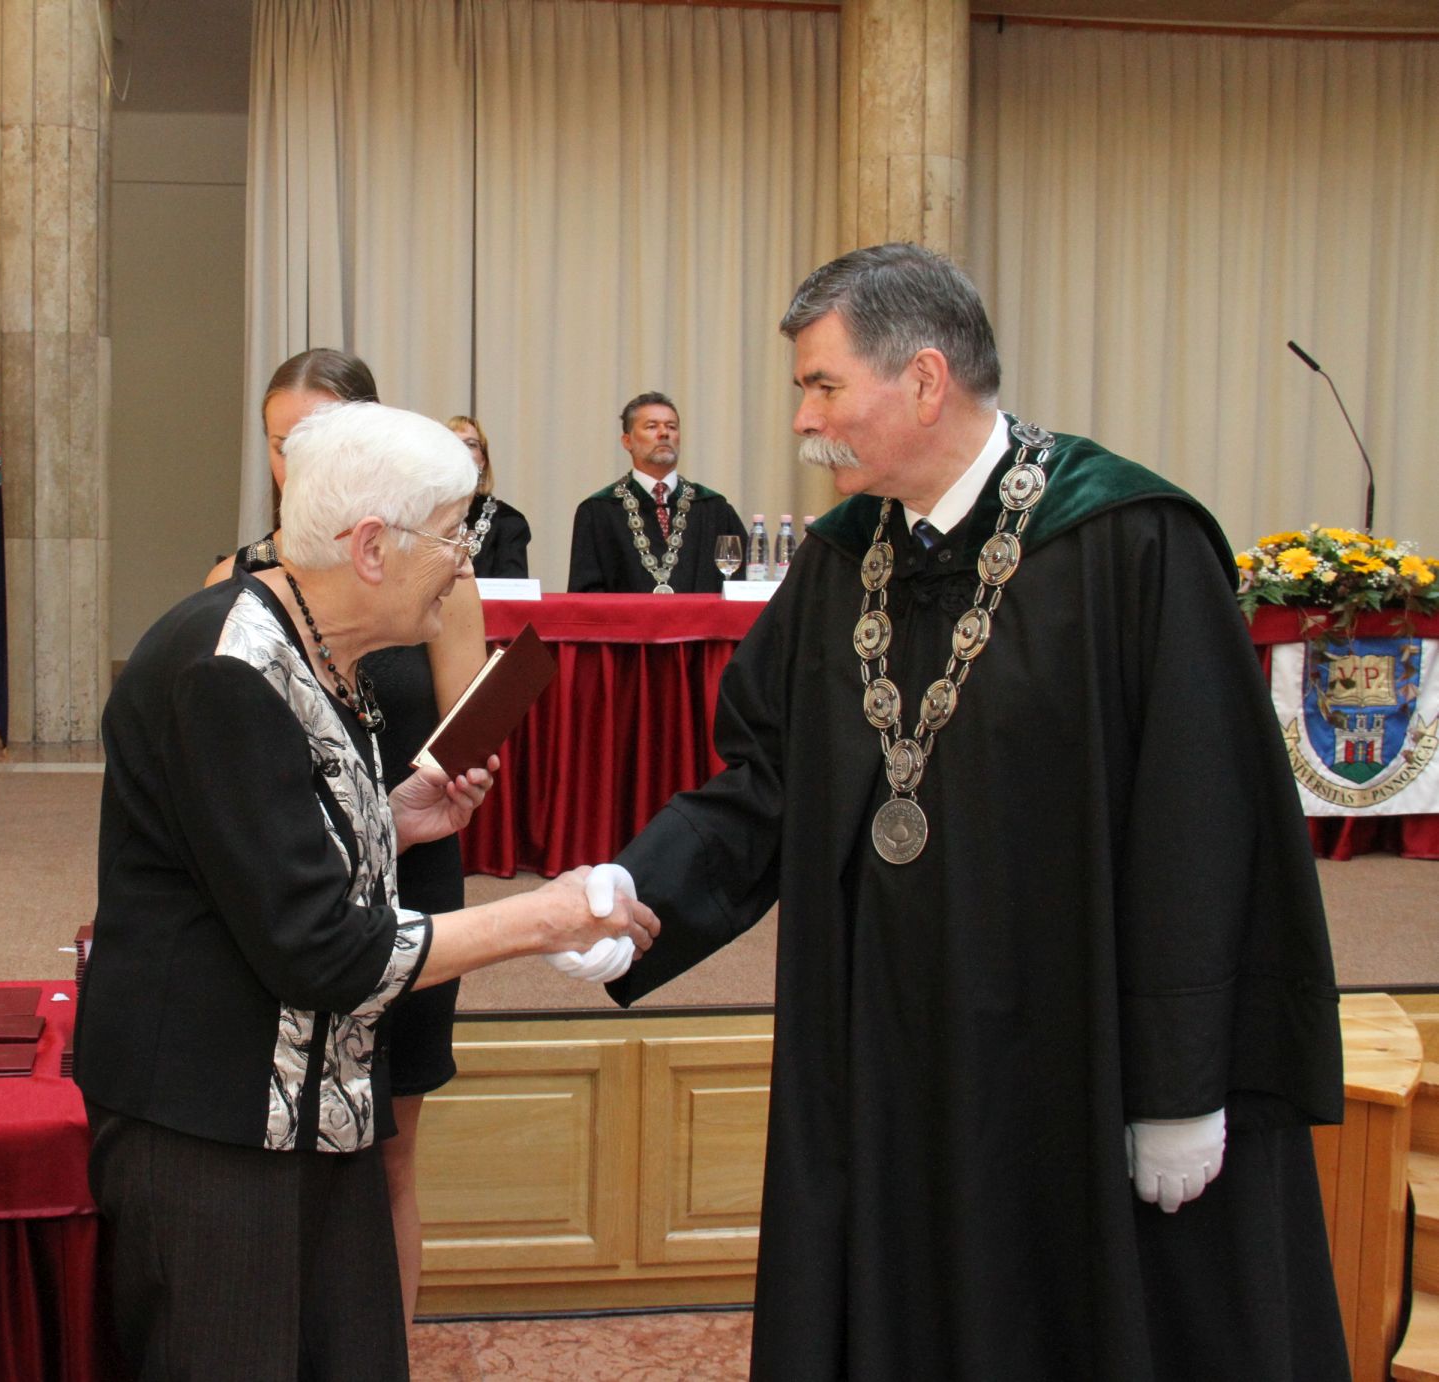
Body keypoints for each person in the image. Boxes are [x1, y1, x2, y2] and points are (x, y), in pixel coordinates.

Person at [571, 244, 1348, 1381]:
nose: (802, 419)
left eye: (823, 385)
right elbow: (766, 781)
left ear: (924, 379)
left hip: (1076, 1055)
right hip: (894, 1052)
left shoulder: (1127, 540)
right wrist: (639, 889)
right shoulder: (842, 564)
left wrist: (1184, 1082)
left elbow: (1203, 827)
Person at [77, 400, 658, 1380]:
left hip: (314, 1104)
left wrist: (387, 817)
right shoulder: (228, 667)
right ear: (374, 547)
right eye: (454, 535)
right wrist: (541, 917)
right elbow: (324, 949)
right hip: (212, 1129)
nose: (465, 565)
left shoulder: (311, 644)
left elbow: (258, 847)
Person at [208, 349, 486, 1323]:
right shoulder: (235, 589)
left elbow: (468, 721)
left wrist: (450, 777)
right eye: (280, 442)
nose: (295, 461)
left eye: (317, 437)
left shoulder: (437, 574)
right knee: (290, 1146)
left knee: (391, 1150)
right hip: (292, 893)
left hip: (414, 866)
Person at [566, 391, 747, 594]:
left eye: (671, 427)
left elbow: (743, 585)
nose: (664, 433)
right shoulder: (598, 511)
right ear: (627, 441)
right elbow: (586, 596)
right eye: (652, 426)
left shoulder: (714, 508)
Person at [447, 415, 531, 578]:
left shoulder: (508, 521)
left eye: (471, 444)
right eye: (452, 443)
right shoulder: (418, 517)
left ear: (483, 461)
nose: (461, 450)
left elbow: (511, 590)